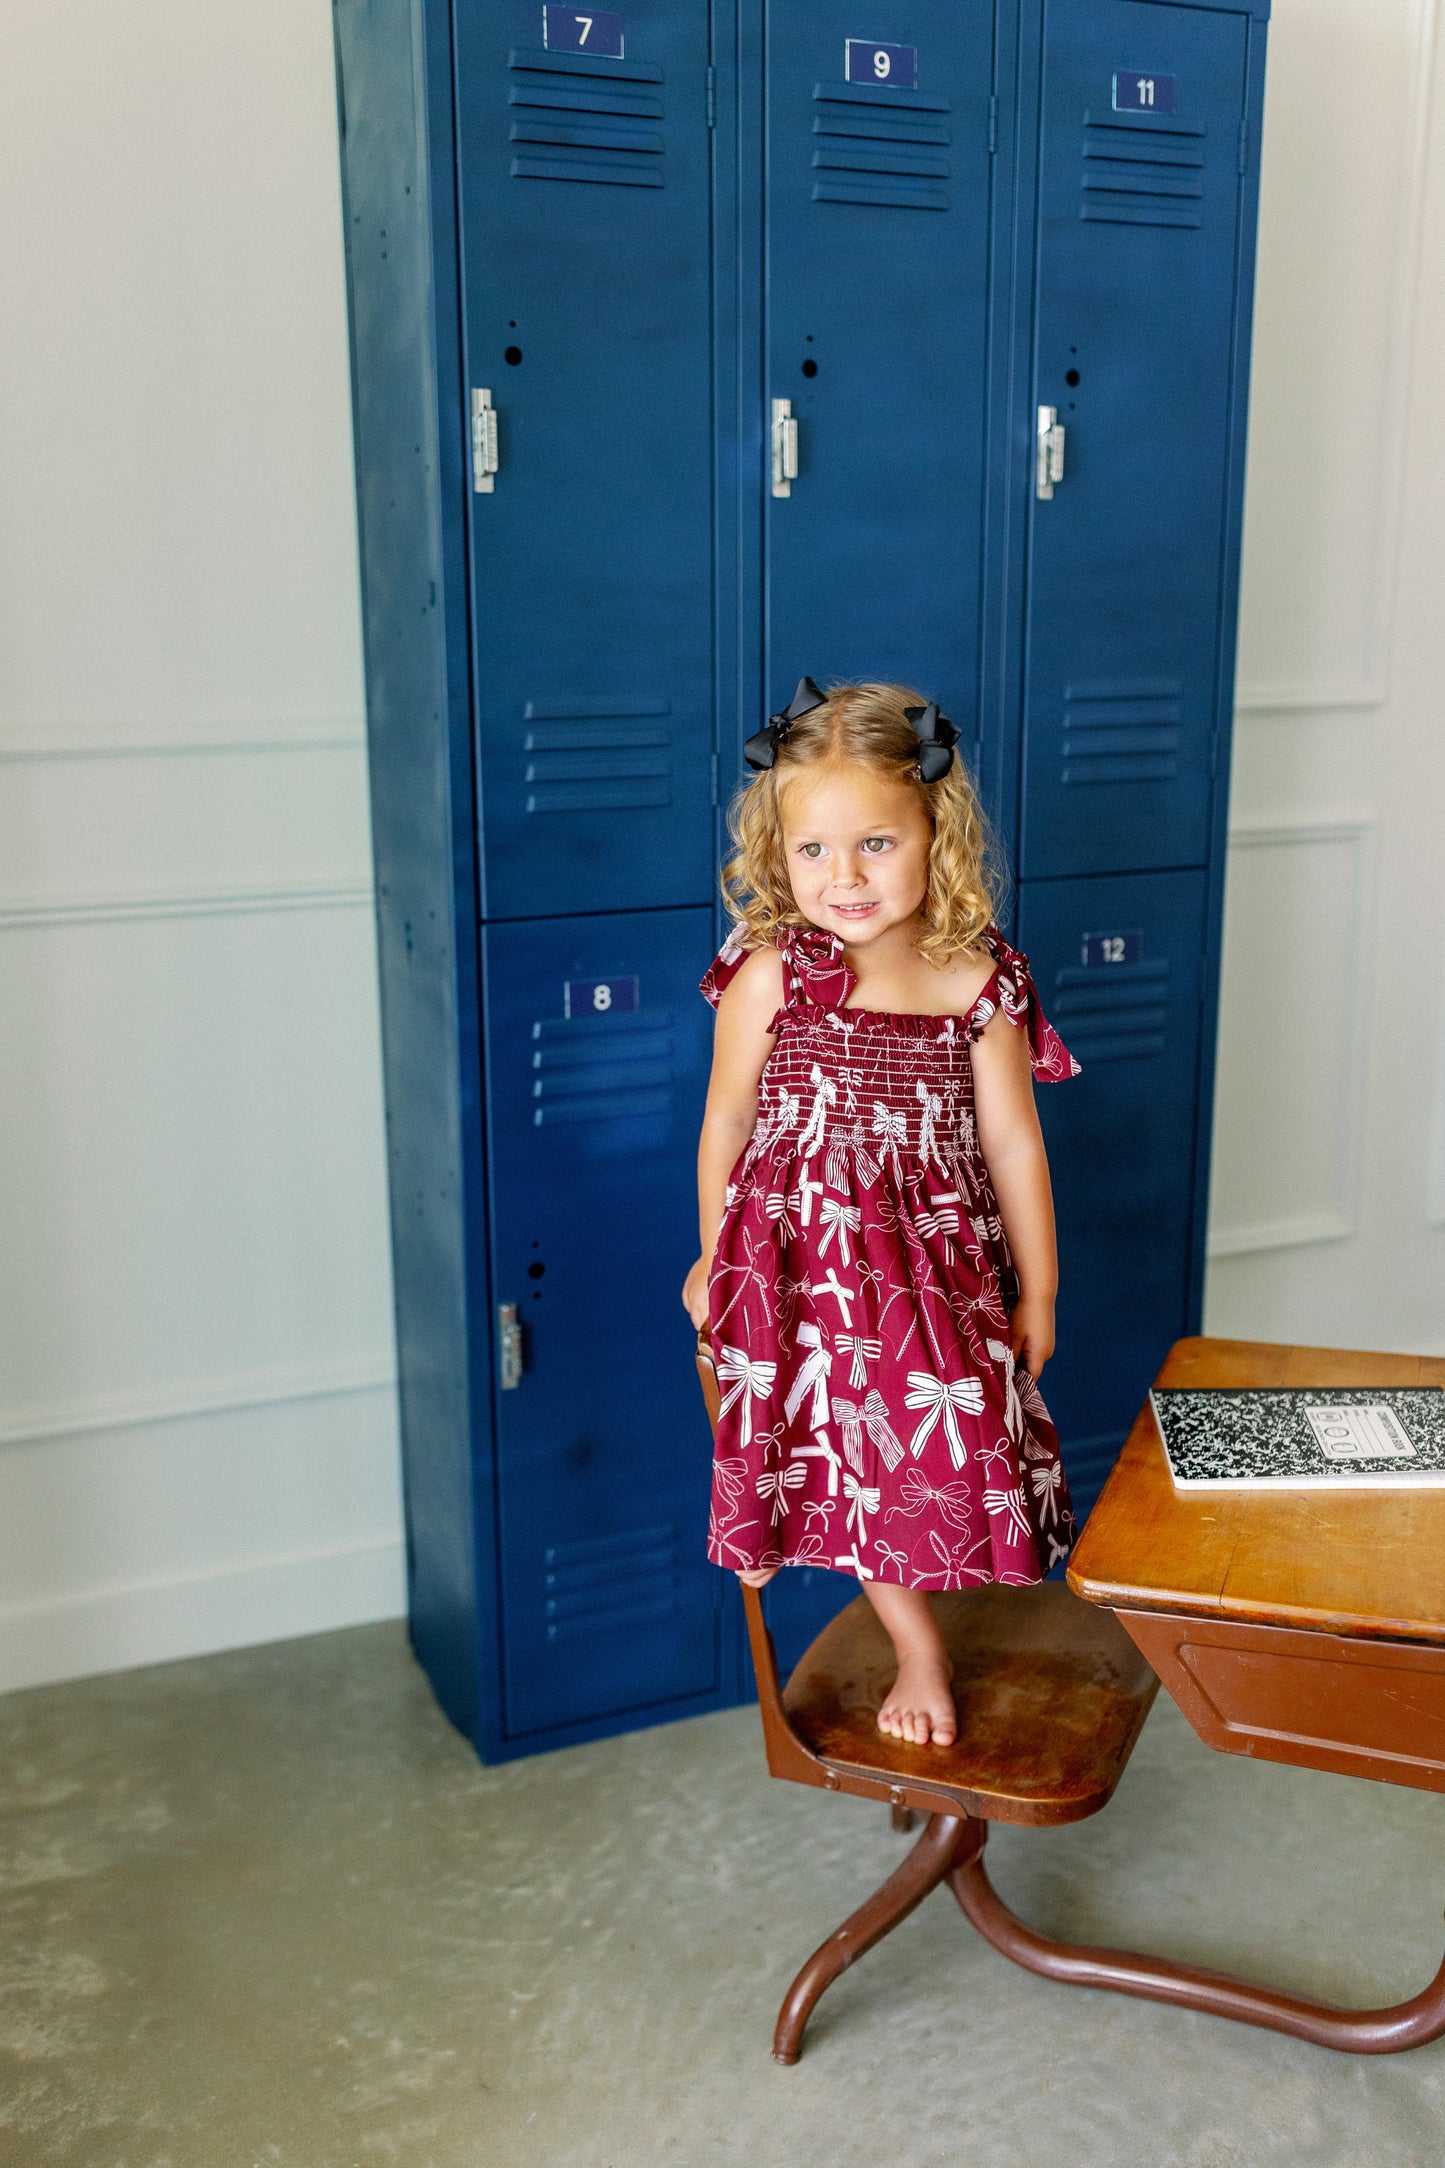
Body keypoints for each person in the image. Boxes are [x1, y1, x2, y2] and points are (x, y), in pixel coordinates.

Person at [681, 678, 1080, 1748]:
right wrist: (714, 1246)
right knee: (826, 1444)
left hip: (929, 1270)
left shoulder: (976, 979)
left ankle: (903, 1594)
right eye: (811, 851)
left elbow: (1012, 1144)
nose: (843, 876)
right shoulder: (774, 971)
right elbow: (725, 1124)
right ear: (777, 854)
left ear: (932, 832)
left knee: (934, 1444)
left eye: (873, 842)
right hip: (792, 1258)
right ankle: (909, 1640)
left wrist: (1036, 1286)